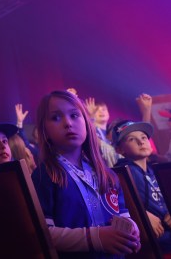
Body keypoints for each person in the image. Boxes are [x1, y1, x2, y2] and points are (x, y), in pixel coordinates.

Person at [31, 90, 141, 258]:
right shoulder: (44, 175)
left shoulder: (108, 174)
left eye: (74, 115)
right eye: (56, 118)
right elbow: (44, 234)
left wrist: (132, 229)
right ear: (44, 130)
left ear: (87, 123)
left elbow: (122, 215)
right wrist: (96, 238)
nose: (68, 123)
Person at [112, 120, 171, 253]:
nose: (141, 142)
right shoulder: (121, 172)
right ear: (120, 149)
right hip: (155, 242)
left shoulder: (153, 170)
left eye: (144, 137)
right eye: (132, 139)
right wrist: (140, 213)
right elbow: (117, 205)